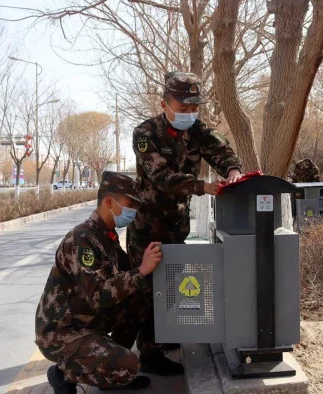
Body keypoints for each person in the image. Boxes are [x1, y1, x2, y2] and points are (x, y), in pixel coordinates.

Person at [126, 71, 244, 369]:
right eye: (183, 109)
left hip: (178, 223)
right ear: (164, 104)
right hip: (148, 227)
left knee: (171, 284)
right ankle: (149, 354)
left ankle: (164, 336)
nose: (189, 114)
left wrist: (232, 170)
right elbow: (162, 177)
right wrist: (203, 187)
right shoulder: (145, 134)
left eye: (194, 109)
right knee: (148, 288)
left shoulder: (197, 130)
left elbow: (221, 150)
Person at [35, 171, 176, 394]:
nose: (134, 211)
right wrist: (141, 270)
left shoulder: (105, 236)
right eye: (130, 204)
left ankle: (111, 365)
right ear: (109, 202)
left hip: (89, 320)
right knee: (128, 366)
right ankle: (64, 374)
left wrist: (147, 262)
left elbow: (125, 278)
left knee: (141, 295)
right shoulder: (82, 239)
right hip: (61, 332)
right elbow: (99, 296)